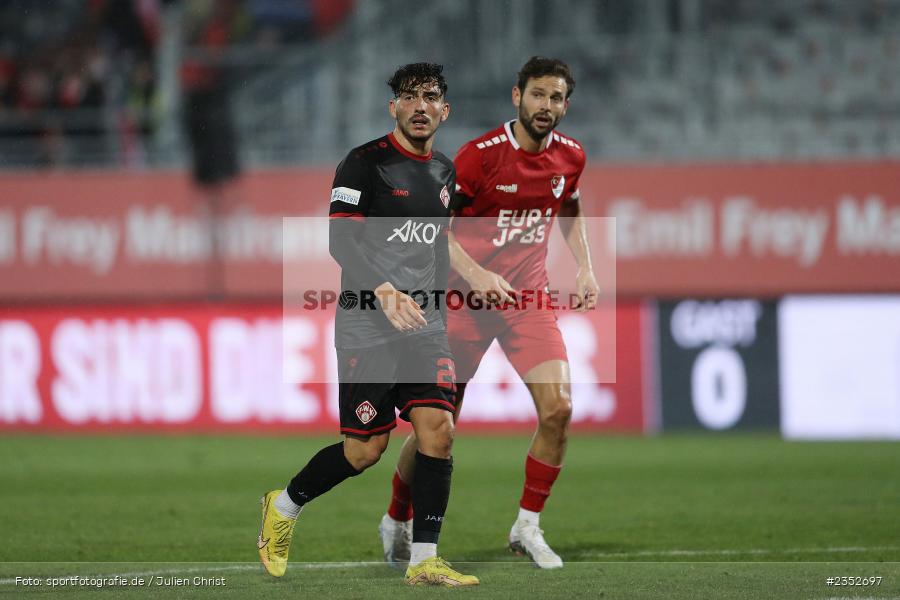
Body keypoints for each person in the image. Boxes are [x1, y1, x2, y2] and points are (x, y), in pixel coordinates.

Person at [257, 63, 478, 587]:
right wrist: (383, 290)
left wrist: (473, 278)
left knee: (438, 431)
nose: (420, 106)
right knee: (364, 451)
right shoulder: (363, 164)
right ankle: (284, 505)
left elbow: (438, 243)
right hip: (367, 324)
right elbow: (341, 242)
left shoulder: (447, 175)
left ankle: (425, 559)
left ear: (445, 110)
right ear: (393, 107)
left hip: (425, 326)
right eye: (409, 97)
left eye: (430, 97)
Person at [379, 56, 597, 570]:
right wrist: (476, 276)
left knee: (559, 409)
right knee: (437, 426)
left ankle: (527, 526)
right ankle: (396, 516)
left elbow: (569, 204)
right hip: (462, 304)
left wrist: (585, 266)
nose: (547, 106)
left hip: (527, 302)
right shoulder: (479, 157)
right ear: (517, 95)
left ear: (567, 104)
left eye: (557, 98)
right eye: (538, 95)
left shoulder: (571, 156)